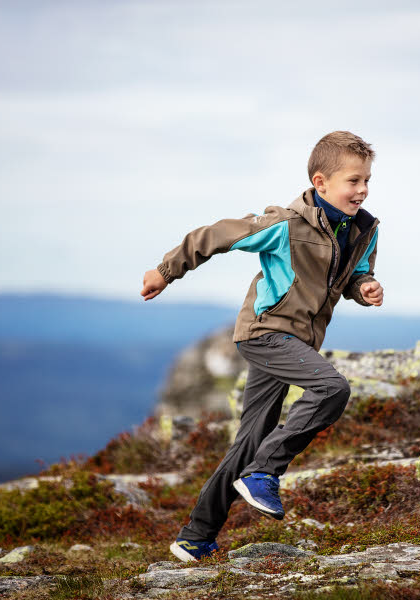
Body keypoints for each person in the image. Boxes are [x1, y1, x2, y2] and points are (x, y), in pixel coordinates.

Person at [140, 131, 384, 562]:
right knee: (332, 389)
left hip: (296, 341)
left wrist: (364, 286)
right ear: (321, 182)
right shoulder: (285, 224)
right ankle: (263, 473)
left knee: (248, 441)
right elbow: (216, 235)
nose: (362, 189)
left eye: (367, 180)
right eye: (353, 181)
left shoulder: (362, 229)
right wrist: (166, 269)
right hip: (265, 334)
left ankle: (195, 537)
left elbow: (355, 273)